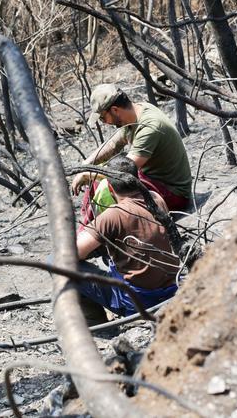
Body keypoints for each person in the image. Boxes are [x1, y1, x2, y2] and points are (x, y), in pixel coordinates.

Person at [72, 160, 181, 318]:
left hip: (138, 304)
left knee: (56, 261)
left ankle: (97, 323)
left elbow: (71, 254)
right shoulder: (156, 199)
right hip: (172, 289)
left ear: (109, 187)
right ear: (137, 180)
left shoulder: (112, 215)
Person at [71, 84, 194, 221]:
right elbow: (112, 145)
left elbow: (124, 174)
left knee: (107, 187)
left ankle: (96, 232)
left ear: (115, 110)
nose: (104, 122)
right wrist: (85, 165)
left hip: (173, 193)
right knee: (96, 179)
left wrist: (87, 175)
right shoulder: (133, 114)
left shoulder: (149, 127)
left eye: (102, 118)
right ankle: (90, 226)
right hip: (151, 178)